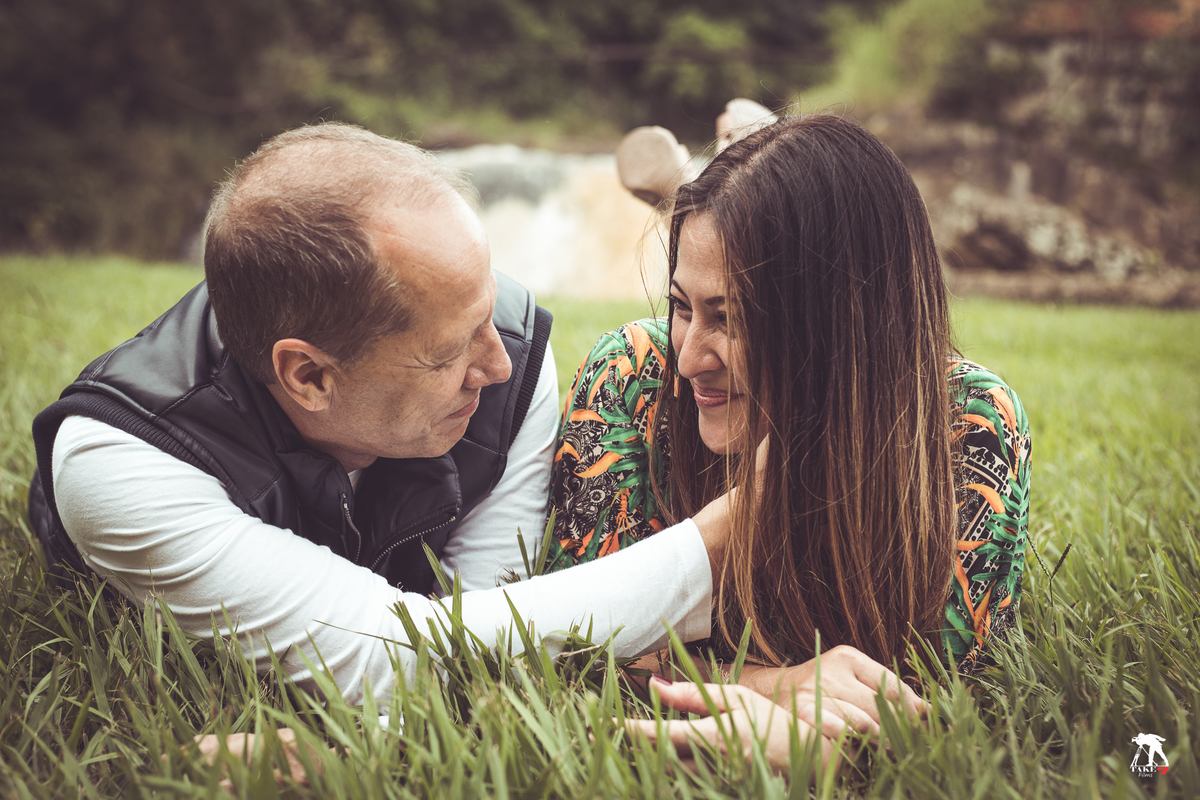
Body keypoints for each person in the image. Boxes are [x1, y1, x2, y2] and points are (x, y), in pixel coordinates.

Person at [26, 122, 732, 705]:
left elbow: (485, 632)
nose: (500, 366)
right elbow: (404, 659)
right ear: (309, 376)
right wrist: (712, 544)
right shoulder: (121, 463)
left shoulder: (509, 355)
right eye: (450, 352)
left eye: (486, 311)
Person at [548, 113, 1032, 769]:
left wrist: (831, 752)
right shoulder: (633, 379)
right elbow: (572, 643)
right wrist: (771, 687)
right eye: (683, 306)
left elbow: (947, 706)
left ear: (848, 324)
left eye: (734, 318)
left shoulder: (966, 421)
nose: (689, 360)